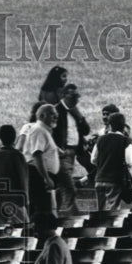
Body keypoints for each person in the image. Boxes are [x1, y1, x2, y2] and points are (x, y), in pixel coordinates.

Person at [52, 83, 89, 215]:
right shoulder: (56, 111)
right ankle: (72, 217)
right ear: (64, 95)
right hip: (61, 153)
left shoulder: (75, 111)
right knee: (69, 188)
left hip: (73, 153)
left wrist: (79, 116)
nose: (76, 99)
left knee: (62, 188)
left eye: (77, 97)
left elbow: (86, 130)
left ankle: (54, 214)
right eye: (73, 96)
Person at [91, 111, 132, 213]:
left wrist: (103, 164)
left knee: (100, 211)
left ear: (110, 125)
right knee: (112, 212)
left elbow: (93, 159)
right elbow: (130, 161)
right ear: (123, 126)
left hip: (99, 179)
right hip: (114, 181)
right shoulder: (125, 141)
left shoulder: (101, 139)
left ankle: (99, 227)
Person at [22, 104, 61, 221]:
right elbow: (37, 155)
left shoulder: (44, 131)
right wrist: (46, 178)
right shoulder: (38, 130)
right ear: (42, 115)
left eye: (56, 115)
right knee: (42, 212)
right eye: (52, 114)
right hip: (39, 177)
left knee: (44, 211)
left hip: (42, 176)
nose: (56, 117)